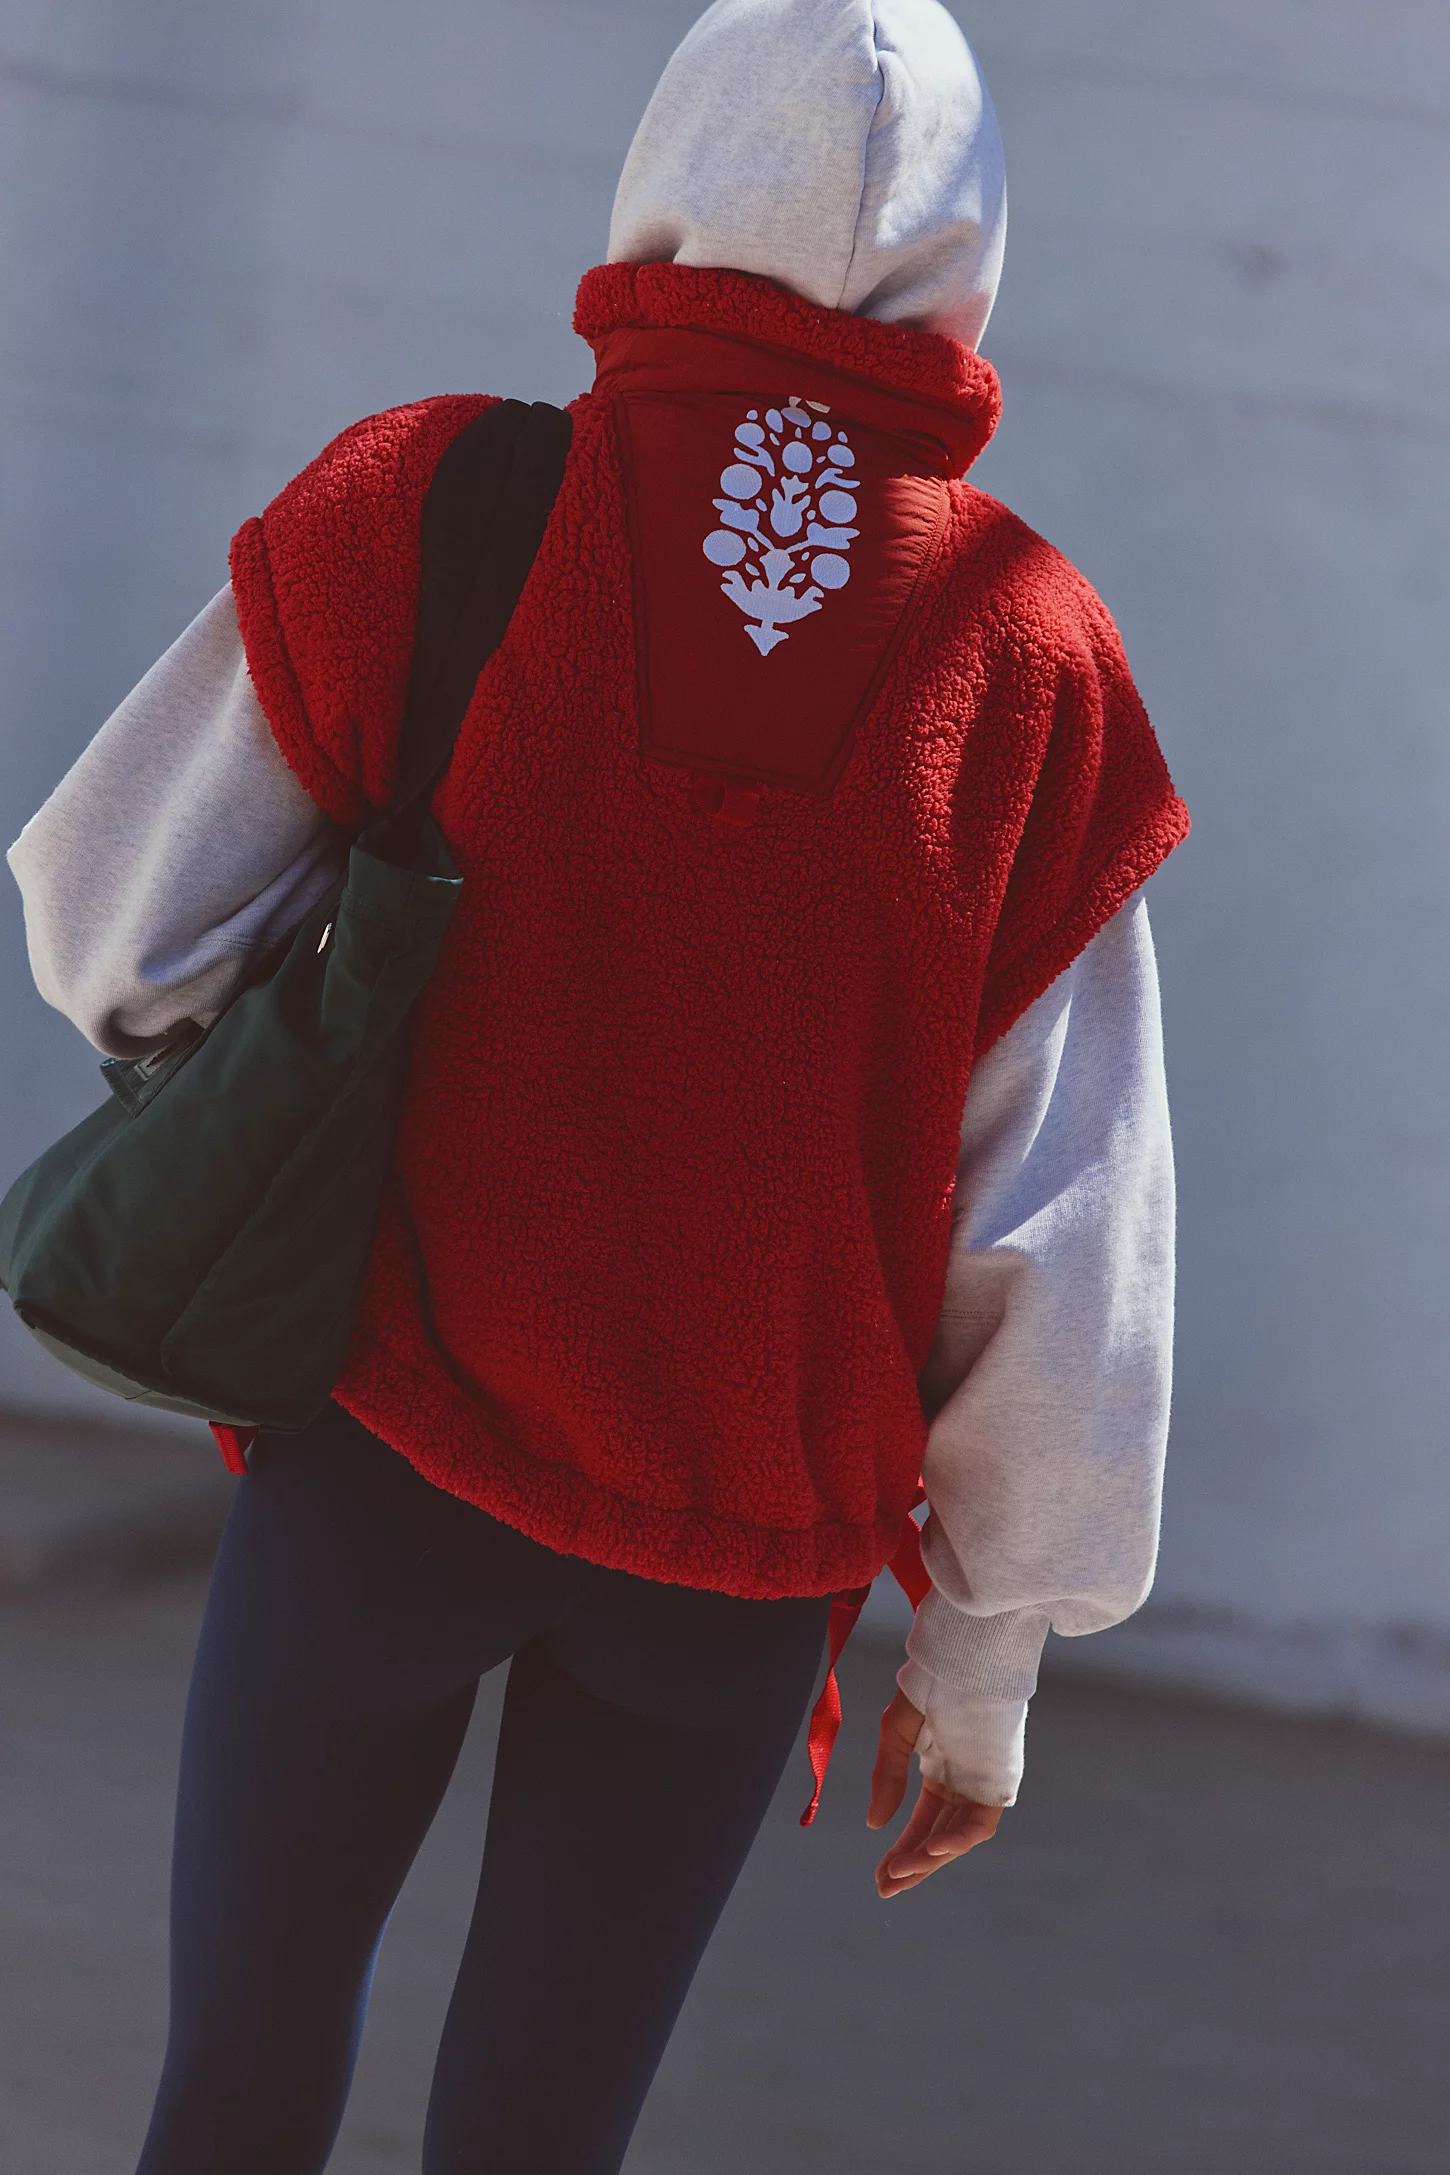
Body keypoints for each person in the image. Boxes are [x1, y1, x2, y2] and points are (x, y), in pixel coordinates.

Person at [6, 3, 1189, 2170]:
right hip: (734, 1561)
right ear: (964, 254)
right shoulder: (1031, 651)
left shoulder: (436, 499)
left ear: (672, 172)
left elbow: (112, 919)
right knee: (543, 2136)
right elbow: (1065, 1220)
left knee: (237, 2085)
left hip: (385, 1457)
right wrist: (985, 1662)